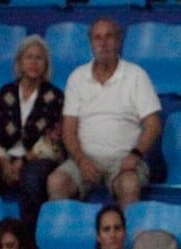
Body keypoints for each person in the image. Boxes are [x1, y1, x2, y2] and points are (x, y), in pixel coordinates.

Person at [47, 17, 161, 208]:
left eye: (109, 37)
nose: (103, 43)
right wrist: (81, 160)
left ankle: (127, 238)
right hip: (85, 158)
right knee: (56, 182)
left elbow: (153, 124)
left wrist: (135, 154)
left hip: (125, 161)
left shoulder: (136, 75)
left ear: (119, 40)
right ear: (91, 43)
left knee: (129, 184)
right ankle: (68, 238)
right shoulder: (77, 77)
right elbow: (68, 130)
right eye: (97, 38)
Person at [0, 33, 64, 224]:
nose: (34, 63)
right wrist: (4, 162)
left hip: (39, 158)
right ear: (19, 62)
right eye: (29, 57)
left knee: (31, 179)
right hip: (3, 157)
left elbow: (55, 138)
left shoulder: (55, 96)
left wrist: (23, 161)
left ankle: (30, 240)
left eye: (39, 58)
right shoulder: (6, 93)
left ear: (46, 64)